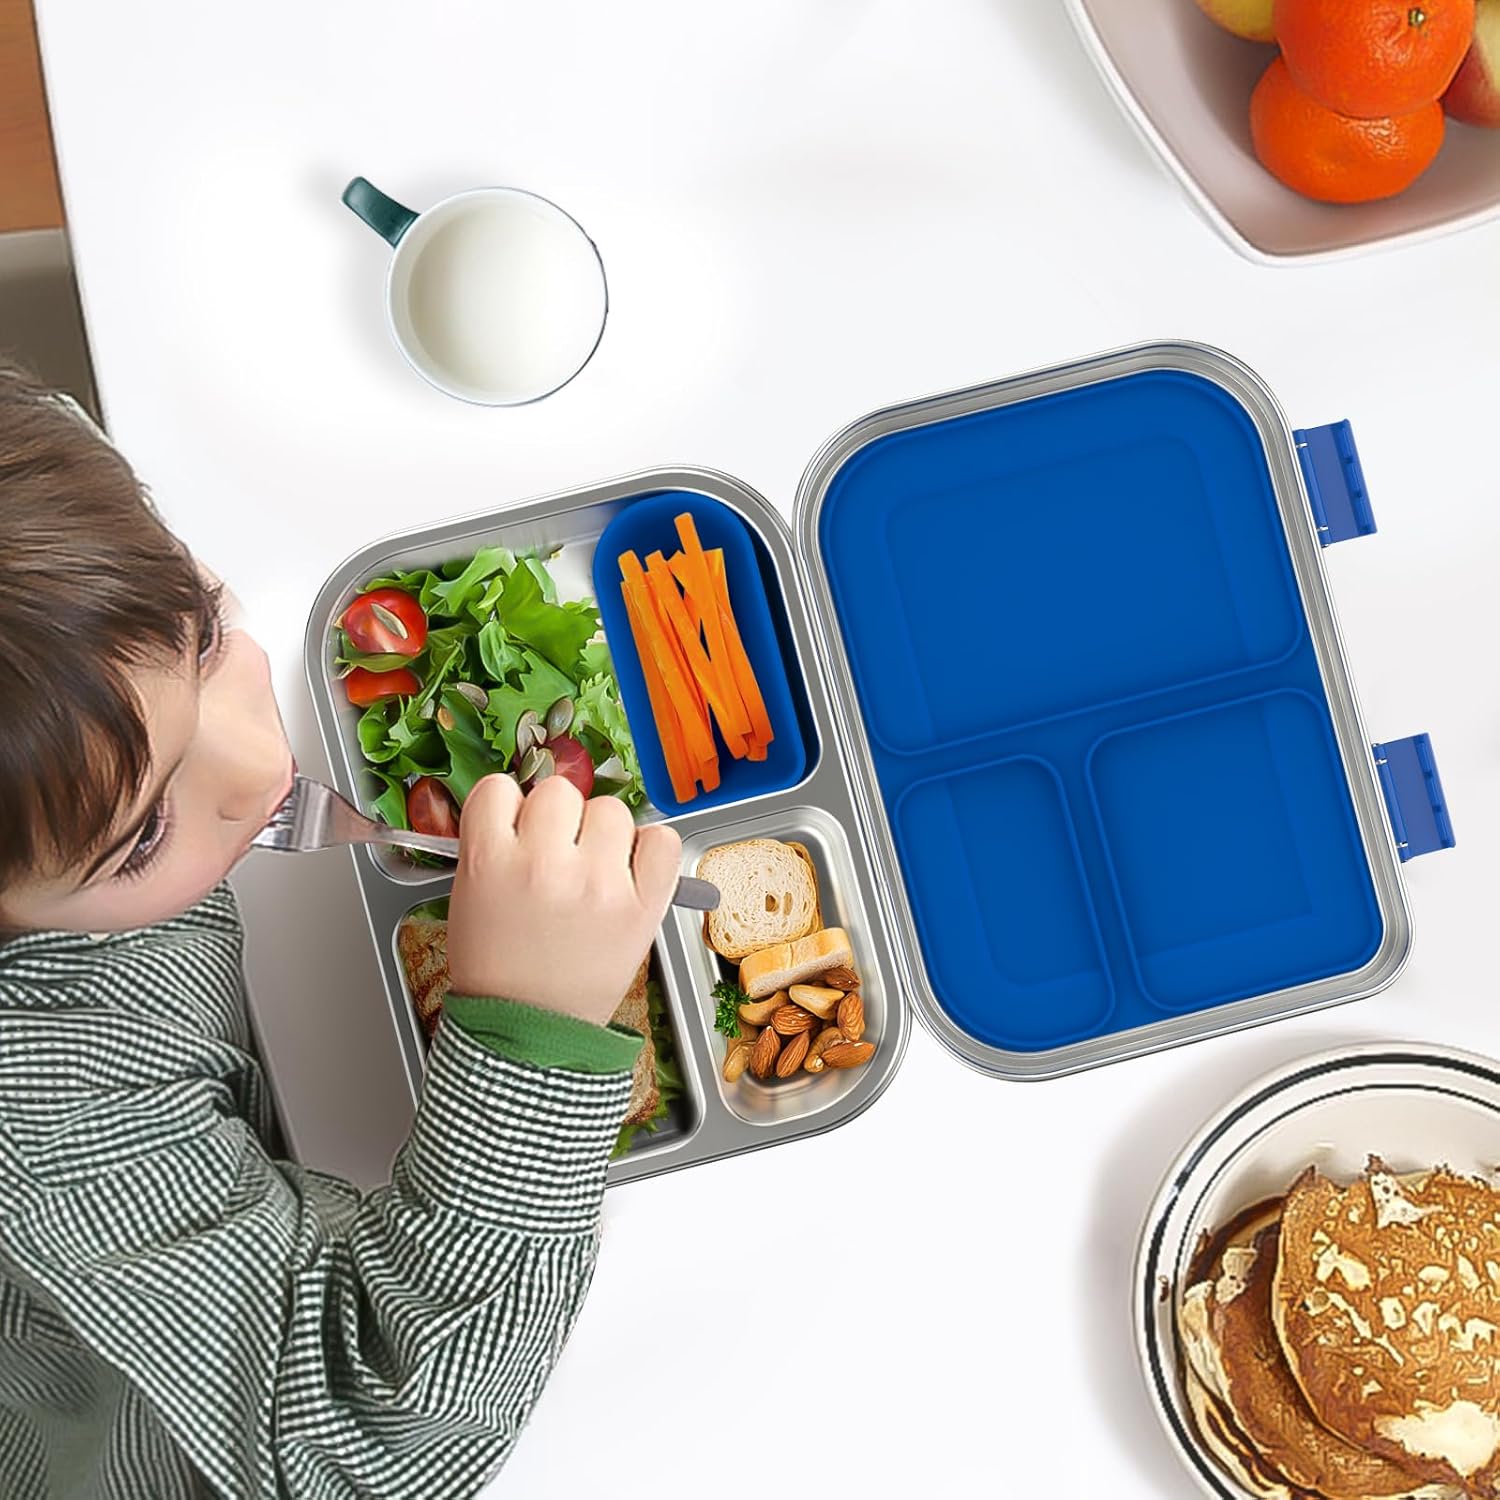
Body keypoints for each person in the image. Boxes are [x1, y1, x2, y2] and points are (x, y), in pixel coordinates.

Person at [0, 359, 682, 1499]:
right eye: (142, 832)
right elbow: (366, 1444)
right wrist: (532, 1040)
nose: (265, 764)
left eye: (204, 631)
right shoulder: (42, 1115)